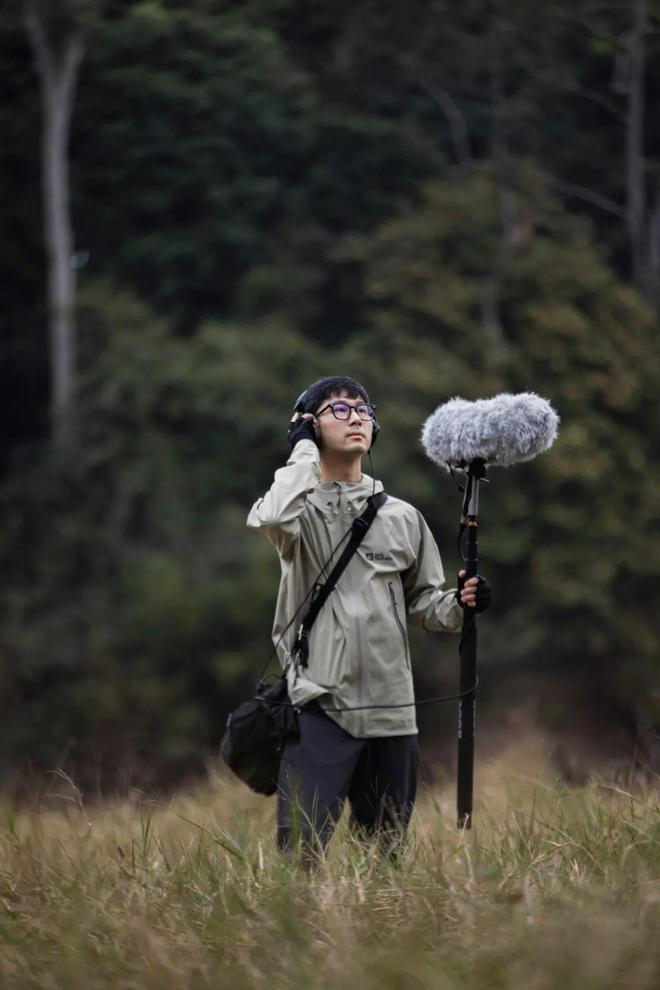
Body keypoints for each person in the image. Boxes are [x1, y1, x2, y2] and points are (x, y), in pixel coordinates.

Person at [246, 376, 491, 859]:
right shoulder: (299, 510)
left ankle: (379, 932)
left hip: (393, 711)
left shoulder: (402, 517)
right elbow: (272, 518)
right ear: (309, 426)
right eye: (338, 410)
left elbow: (425, 604)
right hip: (319, 705)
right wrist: (301, 453)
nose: (357, 417)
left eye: (363, 410)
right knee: (299, 853)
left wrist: (462, 604)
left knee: (386, 855)